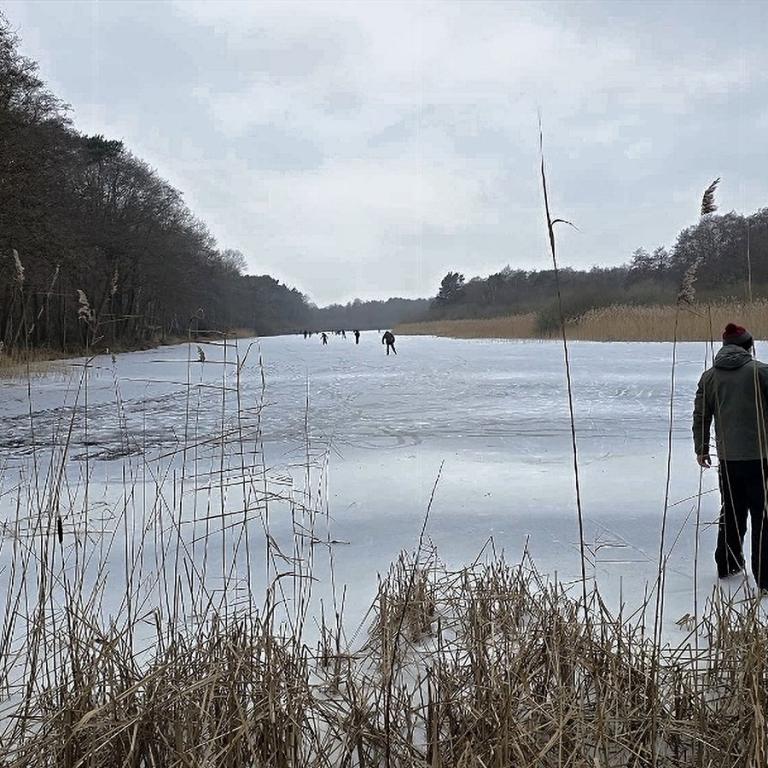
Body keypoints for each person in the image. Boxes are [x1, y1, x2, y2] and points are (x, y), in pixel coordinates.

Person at [693, 323, 768, 593]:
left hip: (728, 460)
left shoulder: (709, 377)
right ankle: (766, 578)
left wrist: (701, 448)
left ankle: (728, 566)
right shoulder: (760, 372)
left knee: (732, 513)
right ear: (748, 346)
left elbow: (701, 415)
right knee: (764, 516)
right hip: (761, 459)